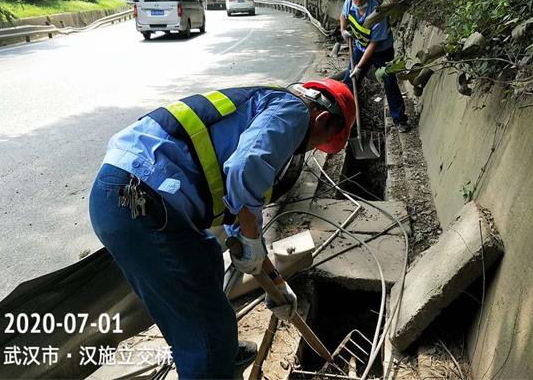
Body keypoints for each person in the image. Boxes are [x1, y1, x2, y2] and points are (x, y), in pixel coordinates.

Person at [89, 80, 355, 379]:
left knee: (205, 260)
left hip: (129, 195)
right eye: (319, 142)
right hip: (139, 202)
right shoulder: (295, 111)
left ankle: (218, 353)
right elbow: (245, 168)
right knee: (204, 326)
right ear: (321, 118)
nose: (308, 148)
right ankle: (212, 359)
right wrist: (251, 239)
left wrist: (277, 283)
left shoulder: (264, 105)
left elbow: (239, 216)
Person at [339, 0, 410, 132]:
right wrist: (343, 30)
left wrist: (359, 67)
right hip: (360, 47)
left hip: (381, 51)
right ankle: (344, 119)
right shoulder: (349, 2)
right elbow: (343, 16)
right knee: (349, 82)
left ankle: (399, 119)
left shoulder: (378, 12)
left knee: (389, 82)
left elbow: (373, 44)